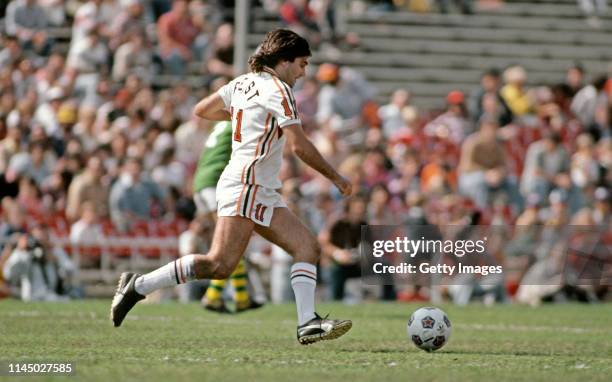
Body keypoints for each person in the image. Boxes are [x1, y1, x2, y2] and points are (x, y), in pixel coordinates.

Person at [110, 29, 353, 345]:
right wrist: (337, 177)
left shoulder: (242, 82)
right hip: (246, 184)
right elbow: (300, 146)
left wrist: (242, 113)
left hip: (257, 187)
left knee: (307, 246)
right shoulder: (280, 91)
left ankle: (307, 322)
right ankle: (138, 285)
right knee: (219, 264)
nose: (304, 72)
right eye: (302, 64)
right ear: (285, 60)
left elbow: (202, 110)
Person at [193, 120, 263, 313]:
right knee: (230, 244)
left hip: (200, 183)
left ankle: (237, 298)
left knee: (226, 245)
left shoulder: (221, 124)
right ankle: (219, 297)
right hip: (215, 182)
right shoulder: (240, 123)